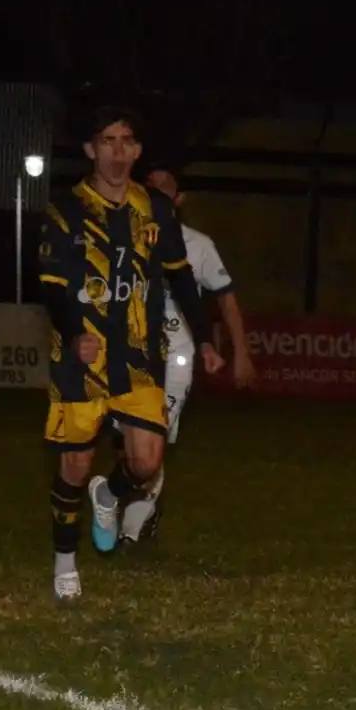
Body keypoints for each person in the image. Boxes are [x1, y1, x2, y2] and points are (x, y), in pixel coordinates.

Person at [41, 106, 224, 602]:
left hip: (140, 360)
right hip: (80, 361)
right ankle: (64, 562)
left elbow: (182, 276)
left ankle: (111, 494)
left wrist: (205, 337)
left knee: (146, 462)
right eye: (107, 141)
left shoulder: (156, 210)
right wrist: (73, 331)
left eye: (126, 141)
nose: (117, 152)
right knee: (74, 465)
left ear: (138, 150)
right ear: (90, 150)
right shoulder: (66, 210)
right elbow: (53, 288)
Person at [114, 165, 255, 544]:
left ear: (179, 200)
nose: (155, 189)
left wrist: (239, 351)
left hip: (177, 355)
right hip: (130, 353)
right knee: (129, 440)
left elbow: (225, 297)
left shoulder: (198, 245)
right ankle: (123, 497)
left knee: (154, 432)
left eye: (165, 187)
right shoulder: (122, 237)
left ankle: (132, 527)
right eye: (150, 185)